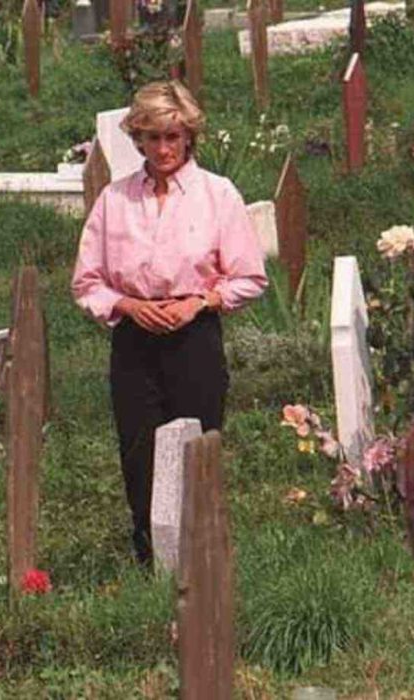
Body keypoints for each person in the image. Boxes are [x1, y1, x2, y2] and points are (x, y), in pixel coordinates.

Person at [71, 80, 267, 567]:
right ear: (137, 139)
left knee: (198, 446)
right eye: (153, 137)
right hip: (135, 340)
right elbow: (86, 282)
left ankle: (204, 560)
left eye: (173, 137)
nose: (163, 148)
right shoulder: (115, 201)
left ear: (189, 138)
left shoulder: (217, 195)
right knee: (139, 451)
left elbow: (250, 276)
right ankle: (151, 560)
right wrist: (129, 307)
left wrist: (200, 303)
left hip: (194, 337)